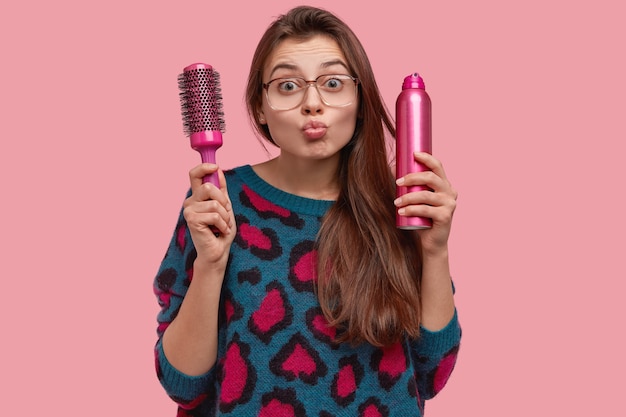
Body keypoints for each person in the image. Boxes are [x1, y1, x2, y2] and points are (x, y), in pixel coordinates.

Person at [154, 5, 461, 416]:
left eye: (333, 82)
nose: (312, 103)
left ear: (361, 99)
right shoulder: (218, 203)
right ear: (260, 108)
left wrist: (435, 250)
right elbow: (182, 384)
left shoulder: (402, 206)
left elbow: (432, 374)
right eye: (287, 86)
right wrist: (211, 264)